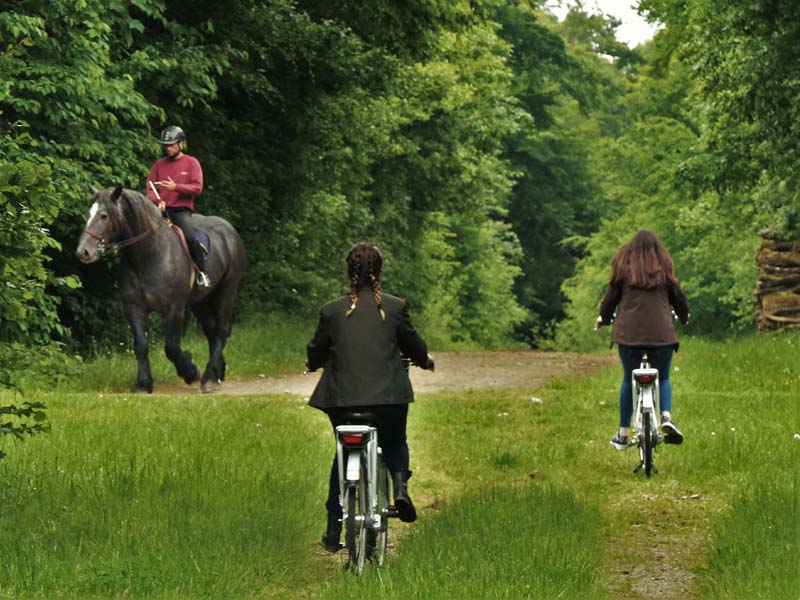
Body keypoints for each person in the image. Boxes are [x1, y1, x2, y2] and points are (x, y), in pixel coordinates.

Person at [306, 242, 434, 552]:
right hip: (388, 400)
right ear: (380, 272)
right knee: (395, 441)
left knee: (342, 453)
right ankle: (400, 490)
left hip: (341, 401)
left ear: (349, 272)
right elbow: (413, 344)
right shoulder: (394, 307)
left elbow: (316, 349)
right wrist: (423, 359)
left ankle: (332, 529)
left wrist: (313, 364)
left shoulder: (332, 310)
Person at [594, 229, 690, 450]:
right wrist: (683, 317)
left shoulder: (623, 271)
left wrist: (605, 318)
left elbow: (609, 302)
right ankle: (666, 416)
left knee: (629, 378)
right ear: (658, 252)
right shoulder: (664, 270)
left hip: (629, 336)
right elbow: (679, 300)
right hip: (661, 335)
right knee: (663, 377)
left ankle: (623, 433)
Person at [146, 125, 210, 287]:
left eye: (171, 144)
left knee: (189, 238)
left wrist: (176, 187)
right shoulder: (159, 165)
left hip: (181, 210)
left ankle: (201, 274)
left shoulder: (191, 163)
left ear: (181, 143)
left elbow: (198, 188)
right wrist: (156, 200)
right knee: (139, 233)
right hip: (161, 210)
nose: (167, 148)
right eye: (166, 145)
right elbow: (150, 186)